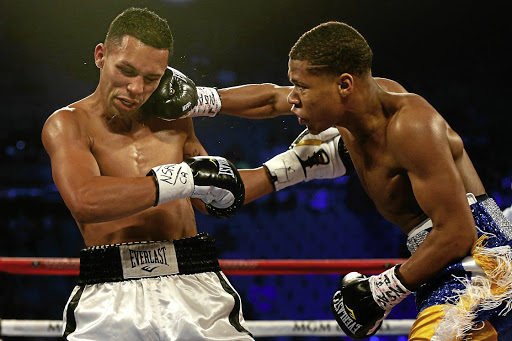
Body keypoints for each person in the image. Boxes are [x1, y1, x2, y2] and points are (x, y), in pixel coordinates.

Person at [160, 22, 512, 340]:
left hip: (482, 260)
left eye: (301, 86)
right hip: (443, 263)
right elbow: (270, 100)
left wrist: (383, 289)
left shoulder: (410, 126)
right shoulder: (350, 115)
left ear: (345, 85)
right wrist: (198, 100)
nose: (292, 96)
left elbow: (457, 232)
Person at [41, 7, 263, 340]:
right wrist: (182, 179)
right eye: (126, 71)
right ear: (101, 55)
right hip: (111, 290)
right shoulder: (69, 123)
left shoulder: (174, 118)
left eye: (151, 79)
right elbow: (86, 201)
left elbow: (214, 195)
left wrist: (290, 169)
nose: (135, 88)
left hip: (195, 279)